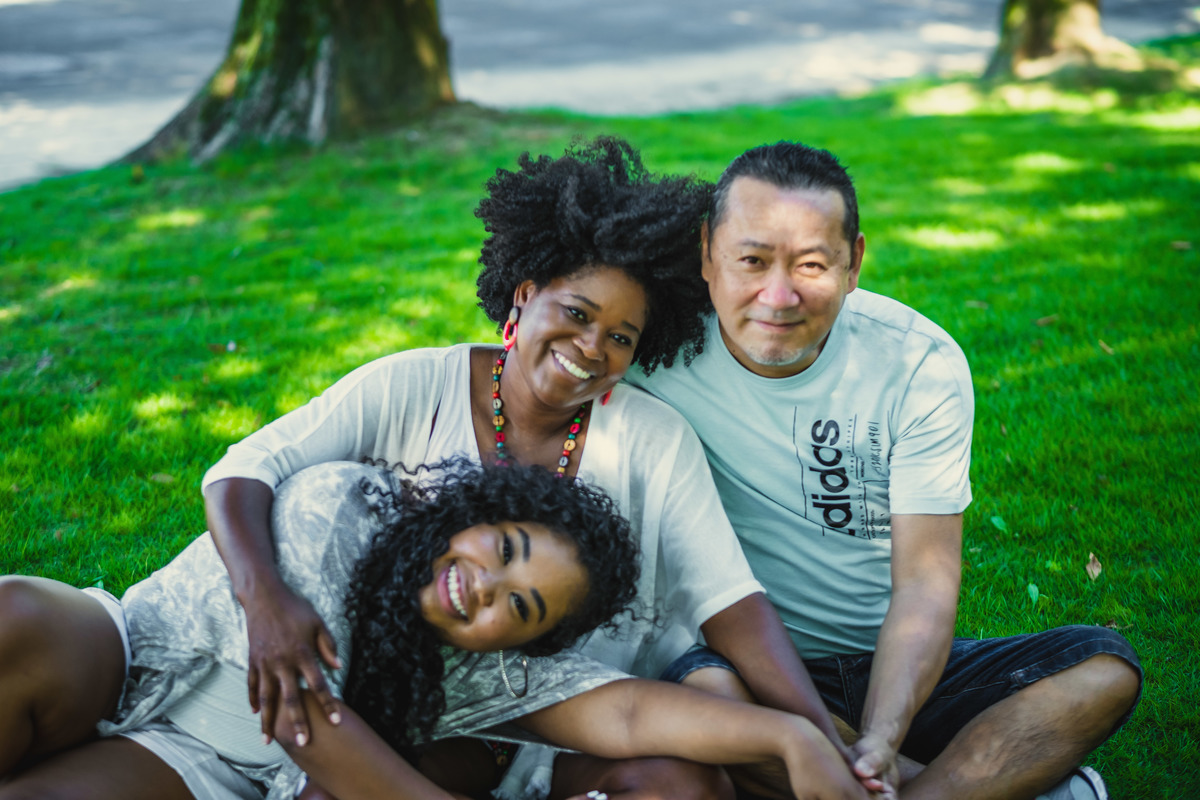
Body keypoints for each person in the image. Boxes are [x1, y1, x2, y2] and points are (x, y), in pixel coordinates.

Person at [198, 137, 859, 800]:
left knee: (705, 778)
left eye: (621, 338)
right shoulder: (413, 386)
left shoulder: (652, 438)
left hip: (576, 710)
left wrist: (821, 740)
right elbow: (244, 470)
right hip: (421, 710)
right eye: (576, 313)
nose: (591, 347)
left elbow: (729, 603)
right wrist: (265, 599)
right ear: (524, 294)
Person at [627, 141, 1143, 800]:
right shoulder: (648, 347)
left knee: (1104, 669)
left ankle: (876, 777)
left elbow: (925, 584)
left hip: (891, 664)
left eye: (812, 265)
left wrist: (883, 731)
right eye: (751, 260)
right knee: (705, 696)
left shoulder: (916, 364)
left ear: (854, 262)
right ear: (706, 252)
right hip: (739, 664)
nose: (778, 296)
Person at [0, 459, 863, 800]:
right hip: (141, 656)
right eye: (506, 548)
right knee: (16, 619)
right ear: (475, 514)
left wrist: (789, 737)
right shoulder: (341, 507)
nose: (487, 588)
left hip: (213, 767)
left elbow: (632, 712)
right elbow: (306, 722)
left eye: (521, 608)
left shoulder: (482, 667)